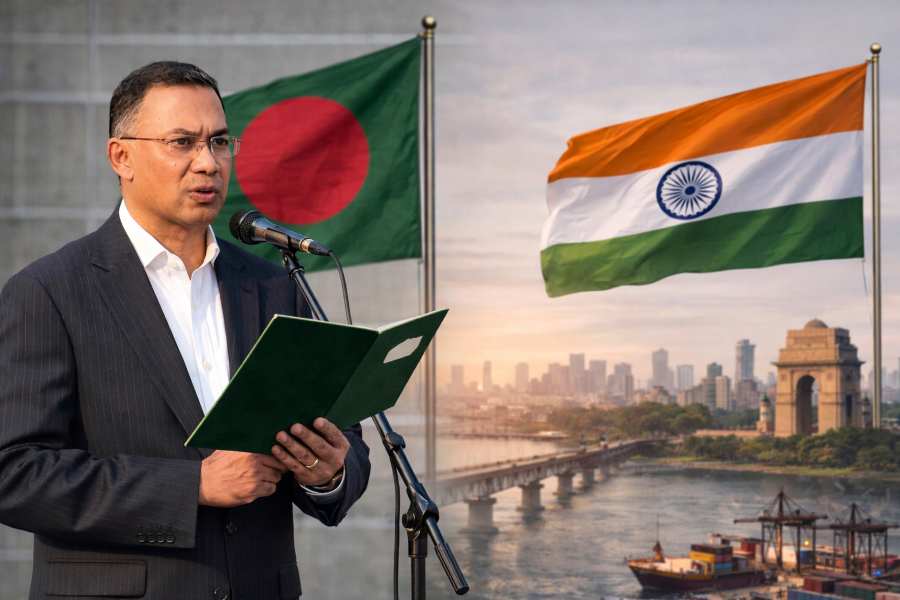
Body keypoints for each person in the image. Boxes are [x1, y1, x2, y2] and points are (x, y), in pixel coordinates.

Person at [0, 61, 371, 600]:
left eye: (220, 142)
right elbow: (14, 473)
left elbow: (346, 441)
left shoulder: (275, 285)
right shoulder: (50, 291)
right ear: (120, 156)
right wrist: (190, 487)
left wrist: (328, 472)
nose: (209, 163)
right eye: (183, 142)